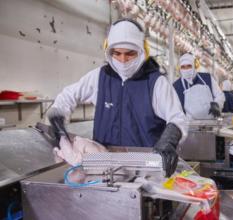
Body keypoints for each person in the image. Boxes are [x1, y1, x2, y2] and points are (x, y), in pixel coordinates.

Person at [47, 19, 187, 177]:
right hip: (103, 167)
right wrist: (58, 118)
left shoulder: (155, 82)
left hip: (145, 167)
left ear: (142, 52)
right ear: (109, 50)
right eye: (117, 53)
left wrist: (167, 142)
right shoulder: (99, 77)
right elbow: (67, 96)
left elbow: (177, 118)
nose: (122, 60)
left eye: (130, 54)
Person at [173, 53, 225, 119]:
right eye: (183, 67)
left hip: (210, 122)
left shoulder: (207, 78)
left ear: (194, 66)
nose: (186, 69)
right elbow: (175, 108)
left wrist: (217, 104)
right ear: (179, 68)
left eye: (189, 66)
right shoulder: (176, 85)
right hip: (189, 124)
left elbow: (220, 95)